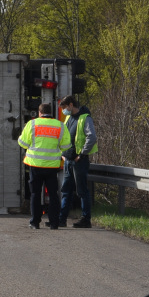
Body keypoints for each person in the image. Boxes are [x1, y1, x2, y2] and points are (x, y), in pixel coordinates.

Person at [17, 102, 67, 229]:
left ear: (39, 113)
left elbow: (22, 143)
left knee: (35, 194)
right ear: (51, 112)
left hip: (35, 165)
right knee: (53, 194)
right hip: (52, 166)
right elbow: (66, 146)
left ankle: (35, 222)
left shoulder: (32, 124)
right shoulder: (60, 126)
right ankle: (54, 223)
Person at [59, 95, 98, 228]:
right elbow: (64, 137)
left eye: (65, 108)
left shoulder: (85, 118)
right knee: (66, 190)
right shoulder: (69, 118)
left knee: (82, 191)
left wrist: (82, 154)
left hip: (79, 161)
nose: (64, 111)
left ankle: (86, 219)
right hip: (68, 160)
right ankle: (61, 219)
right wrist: (63, 154)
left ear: (71, 105)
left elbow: (92, 137)